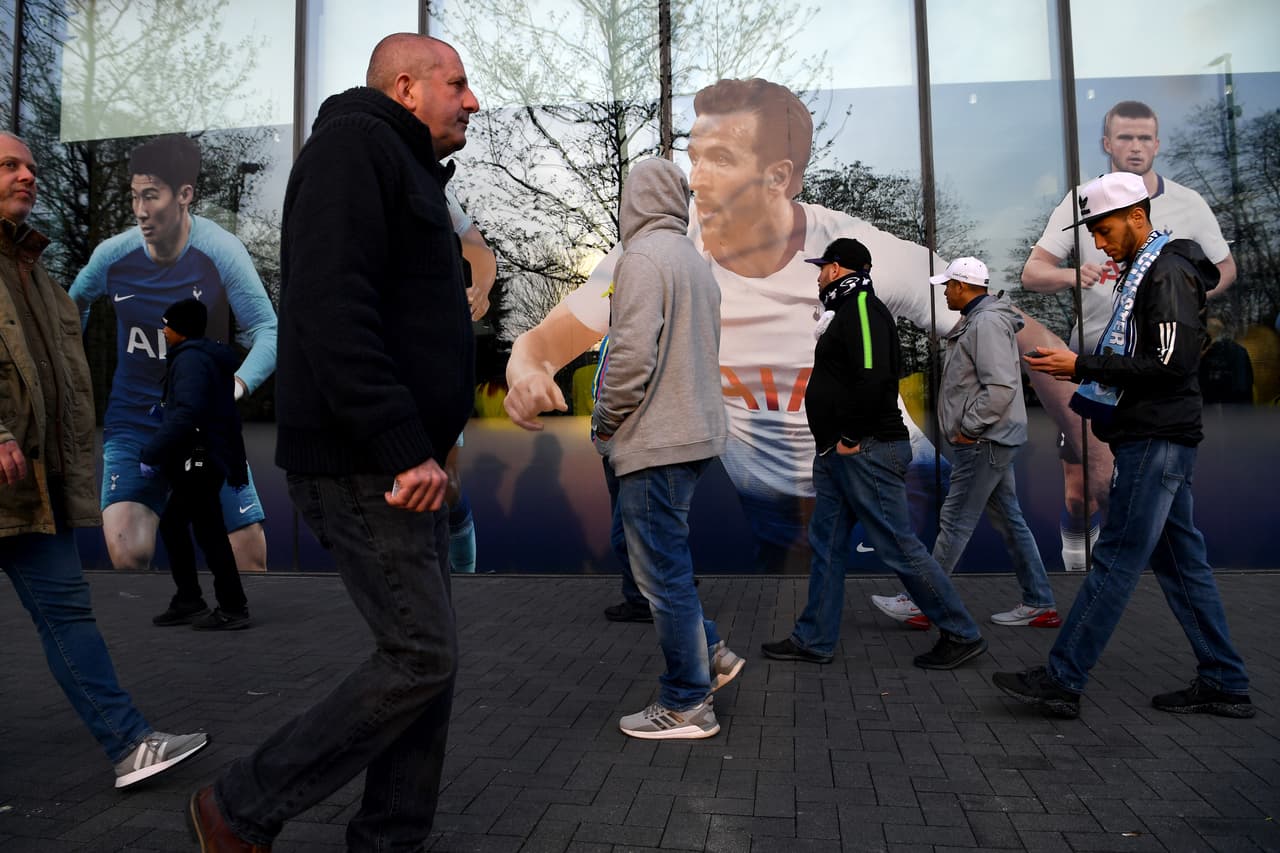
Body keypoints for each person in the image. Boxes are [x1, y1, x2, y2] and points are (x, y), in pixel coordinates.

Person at [505, 78, 969, 609]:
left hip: (882, 465)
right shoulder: (665, 253)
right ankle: (816, 639)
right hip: (774, 500)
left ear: (778, 177)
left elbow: (993, 316)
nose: (695, 180)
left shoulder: (849, 250)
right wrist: (529, 371)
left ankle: (954, 627)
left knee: (906, 563)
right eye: (692, 157)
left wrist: (1039, 392)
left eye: (719, 160)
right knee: (809, 585)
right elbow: (541, 342)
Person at [185, 34, 479, 851]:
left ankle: (390, 837)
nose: (473, 100)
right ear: (407, 85)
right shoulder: (354, 149)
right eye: (458, 83)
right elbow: (329, 305)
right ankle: (238, 807)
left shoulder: (400, 165)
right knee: (421, 653)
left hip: (398, 459)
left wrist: (430, 442)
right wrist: (400, 443)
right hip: (366, 462)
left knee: (430, 662)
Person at [997, 172, 1254, 719]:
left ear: (1138, 216)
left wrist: (1078, 364)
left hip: (1156, 438)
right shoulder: (1151, 272)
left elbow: (1170, 364)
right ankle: (1225, 681)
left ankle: (1062, 679)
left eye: (1105, 228)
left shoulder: (1166, 271)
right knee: (1184, 565)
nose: (1100, 241)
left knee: (1114, 559)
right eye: (1092, 231)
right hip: (1157, 435)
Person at [0, 131, 208, 789]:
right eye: (9, 165)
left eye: (31, 165)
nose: (27, 175)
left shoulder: (39, 276)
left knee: (68, 613)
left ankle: (129, 744)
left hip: (32, 484)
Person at [1021, 100, 1237, 573]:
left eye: (1144, 138)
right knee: (1082, 489)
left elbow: (1225, 269)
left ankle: (1114, 571)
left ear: (1157, 143)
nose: (1135, 147)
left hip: (1151, 367)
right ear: (1107, 144)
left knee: (1125, 481)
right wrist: (1073, 275)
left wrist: (1186, 303)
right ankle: (1086, 562)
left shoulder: (1188, 205)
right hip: (1095, 357)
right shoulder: (1083, 201)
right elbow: (1032, 272)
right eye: (1125, 138)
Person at [760, 239, 987, 670]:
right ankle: (814, 638)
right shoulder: (843, 313)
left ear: (840, 268)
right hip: (838, 455)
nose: (819, 274)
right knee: (826, 545)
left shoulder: (863, 307)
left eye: (823, 266)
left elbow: (873, 376)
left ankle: (961, 632)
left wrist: (850, 435)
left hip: (866, 450)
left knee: (898, 547)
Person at [69, 134, 276, 574]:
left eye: (152, 196)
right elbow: (72, 309)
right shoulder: (113, 256)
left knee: (249, 559)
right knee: (129, 552)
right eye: (134, 197)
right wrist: (71, 372)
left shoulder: (220, 252)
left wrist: (236, 386)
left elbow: (267, 330)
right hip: (134, 424)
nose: (141, 211)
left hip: (204, 423)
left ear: (184, 195)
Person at [594, 157, 742, 739]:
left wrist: (605, 422)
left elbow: (630, 358)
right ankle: (714, 656)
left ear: (634, 198)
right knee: (670, 567)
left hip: (656, 438)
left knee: (661, 577)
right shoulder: (693, 263)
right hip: (695, 432)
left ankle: (686, 703)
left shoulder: (642, 260)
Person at [925, 257, 1057, 628]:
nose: (945, 292)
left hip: (985, 440)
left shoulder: (985, 322)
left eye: (948, 286)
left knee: (955, 520)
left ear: (964, 286)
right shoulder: (979, 320)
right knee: (1010, 520)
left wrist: (970, 427)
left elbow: (999, 387)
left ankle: (924, 601)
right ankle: (1040, 602)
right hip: (991, 438)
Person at [141, 298, 252, 630]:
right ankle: (197, 600)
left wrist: (151, 452)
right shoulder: (202, 357)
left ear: (180, 330)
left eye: (167, 325)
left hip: (199, 459)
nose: (163, 330)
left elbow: (190, 412)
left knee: (191, 528)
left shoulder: (189, 360)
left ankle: (221, 605)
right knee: (196, 528)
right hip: (208, 457)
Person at [444, 187, 497, 573]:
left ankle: (465, 576)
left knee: (446, 483)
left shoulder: (434, 186)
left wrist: (480, 288)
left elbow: (477, 248)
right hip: (384, 356)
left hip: (437, 358)